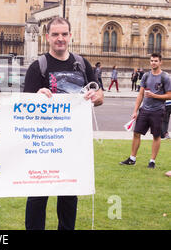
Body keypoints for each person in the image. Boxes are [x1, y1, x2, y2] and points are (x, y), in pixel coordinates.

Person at [23, 16, 104, 230]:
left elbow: (100, 94)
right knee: (38, 195)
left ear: (70, 36)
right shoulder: (38, 67)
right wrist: (38, 96)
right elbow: (23, 108)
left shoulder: (81, 64)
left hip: (74, 143)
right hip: (44, 144)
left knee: (69, 195)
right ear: (47, 37)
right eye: (56, 34)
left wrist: (95, 97)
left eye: (64, 34)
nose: (60, 39)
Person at [120, 53, 171, 169]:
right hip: (144, 110)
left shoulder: (165, 77)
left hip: (158, 111)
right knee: (136, 133)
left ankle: (152, 161)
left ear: (160, 62)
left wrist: (154, 96)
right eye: (152, 60)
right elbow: (140, 95)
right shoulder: (146, 76)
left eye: (156, 61)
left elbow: (169, 95)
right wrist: (135, 111)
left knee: (156, 136)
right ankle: (132, 159)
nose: (153, 62)